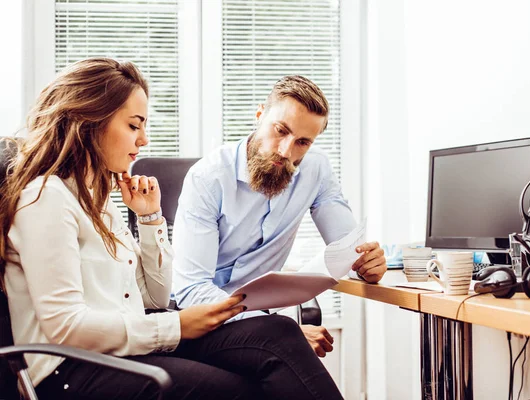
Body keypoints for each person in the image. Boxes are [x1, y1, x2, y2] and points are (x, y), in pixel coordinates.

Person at [0, 59, 343, 400]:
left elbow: (155, 297)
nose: (144, 139)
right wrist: (176, 326)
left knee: (278, 333)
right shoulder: (46, 199)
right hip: (71, 372)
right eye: (134, 126)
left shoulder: (97, 200)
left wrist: (150, 221)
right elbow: (65, 327)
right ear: (91, 121)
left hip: (124, 352)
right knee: (244, 390)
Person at [172, 75, 388, 357]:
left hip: (259, 322)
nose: (286, 151)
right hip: (202, 319)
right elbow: (191, 290)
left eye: (302, 142)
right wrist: (274, 329)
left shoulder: (316, 169)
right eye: (280, 131)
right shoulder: (208, 178)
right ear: (260, 114)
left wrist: (365, 262)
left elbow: (347, 248)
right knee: (289, 348)